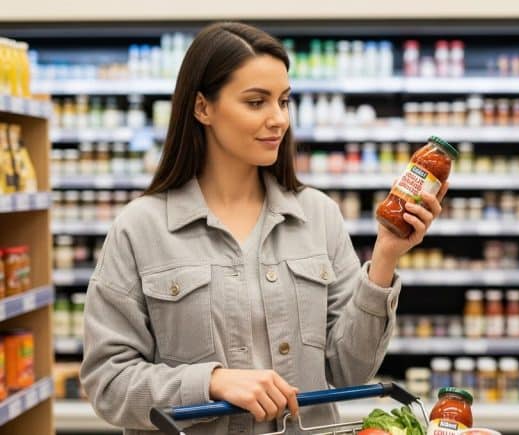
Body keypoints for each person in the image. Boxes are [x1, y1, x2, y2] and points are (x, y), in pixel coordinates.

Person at [79, 22, 447, 435]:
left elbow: (348, 372)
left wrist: (384, 257)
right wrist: (212, 382)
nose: (278, 120)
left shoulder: (318, 215)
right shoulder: (139, 229)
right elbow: (107, 384)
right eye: (256, 102)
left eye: (284, 101)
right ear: (203, 108)